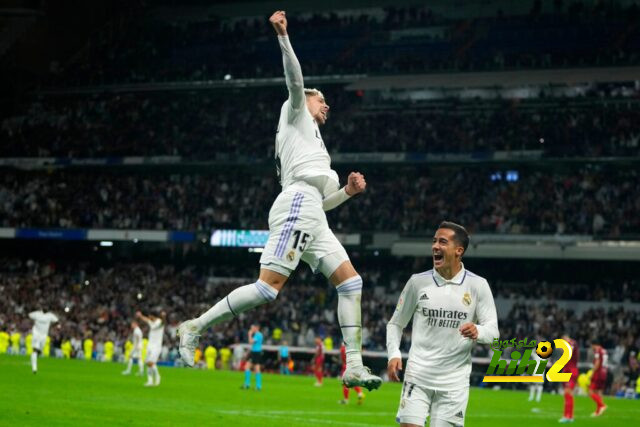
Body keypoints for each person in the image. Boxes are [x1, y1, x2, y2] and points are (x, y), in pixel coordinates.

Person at [177, 9, 381, 391]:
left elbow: (322, 206)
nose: (327, 107)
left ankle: (353, 366)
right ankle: (194, 327)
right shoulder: (294, 111)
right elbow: (295, 81)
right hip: (297, 205)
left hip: (312, 212)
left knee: (352, 284)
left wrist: (347, 194)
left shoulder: (311, 141)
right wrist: (283, 36)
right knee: (268, 289)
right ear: (306, 100)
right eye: (322, 101)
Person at [387, 221, 499, 427]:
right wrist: (394, 353)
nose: (435, 246)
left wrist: (478, 330)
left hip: (454, 382)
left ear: (459, 251)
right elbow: (395, 323)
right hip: (418, 375)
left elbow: (493, 333)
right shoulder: (417, 282)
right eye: (434, 241)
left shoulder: (477, 285)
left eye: (442, 242)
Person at [136, 310, 165, 387]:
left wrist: (164, 316)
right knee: (147, 363)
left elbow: (163, 323)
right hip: (150, 345)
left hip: (157, 346)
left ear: (153, 316)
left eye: (150, 315)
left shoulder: (159, 322)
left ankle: (158, 376)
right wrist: (140, 315)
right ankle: (150, 381)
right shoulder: (151, 321)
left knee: (151, 363)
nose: (149, 317)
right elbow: (146, 320)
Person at [28, 308, 59, 373]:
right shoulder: (37, 314)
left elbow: (57, 321)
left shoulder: (50, 315)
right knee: (35, 349)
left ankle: (35, 356)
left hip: (44, 335)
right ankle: (34, 368)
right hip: (36, 334)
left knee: (40, 350)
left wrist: (55, 327)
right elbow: (29, 315)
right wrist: (32, 324)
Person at [558, 334, 579, 423]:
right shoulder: (572, 343)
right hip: (568, 370)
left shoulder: (570, 343)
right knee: (567, 394)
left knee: (568, 393)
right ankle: (568, 416)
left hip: (570, 371)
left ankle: (568, 416)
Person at [589, 339, 608, 417]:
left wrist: (592, 372)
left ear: (594, 345)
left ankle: (602, 405)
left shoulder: (597, 350)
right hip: (604, 372)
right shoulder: (604, 351)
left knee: (590, 392)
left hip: (598, 373)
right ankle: (598, 412)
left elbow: (597, 362)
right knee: (599, 392)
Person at [242, 324, 264, 390]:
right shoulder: (258, 335)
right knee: (247, 367)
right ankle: (248, 384)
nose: (251, 330)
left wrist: (249, 334)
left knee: (256, 368)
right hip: (255, 352)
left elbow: (251, 342)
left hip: (256, 353)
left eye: (252, 328)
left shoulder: (258, 335)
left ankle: (257, 386)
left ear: (257, 327)